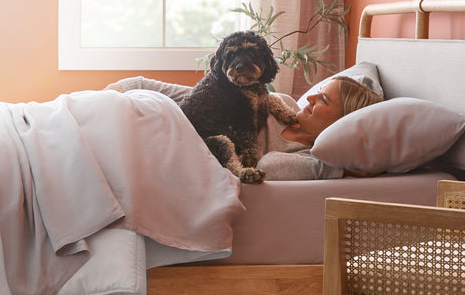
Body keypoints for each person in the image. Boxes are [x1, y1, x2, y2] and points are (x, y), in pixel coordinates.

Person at [104, 74, 383, 180]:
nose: (310, 97)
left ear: (342, 122)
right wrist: (137, 85)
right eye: (318, 92)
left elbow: (268, 166)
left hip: (169, 147)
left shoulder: (307, 156)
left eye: (323, 100)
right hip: (162, 115)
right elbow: (207, 98)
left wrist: (340, 169)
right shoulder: (282, 103)